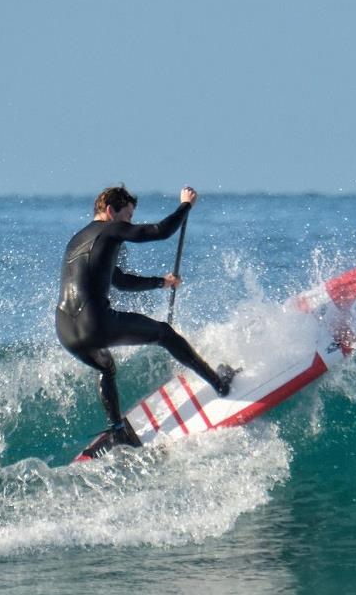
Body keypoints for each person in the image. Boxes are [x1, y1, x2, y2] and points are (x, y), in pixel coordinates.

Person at [55, 184, 235, 447]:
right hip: (94, 323)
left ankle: (117, 431)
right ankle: (219, 384)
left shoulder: (78, 240)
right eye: (127, 216)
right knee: (164, 333)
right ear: (110, 211)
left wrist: (160, 282)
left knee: (106, 366)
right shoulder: (110, 228)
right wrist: (186, 205)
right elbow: (160, 231)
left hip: (66, 331)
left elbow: (119, 281)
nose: (130, 223)